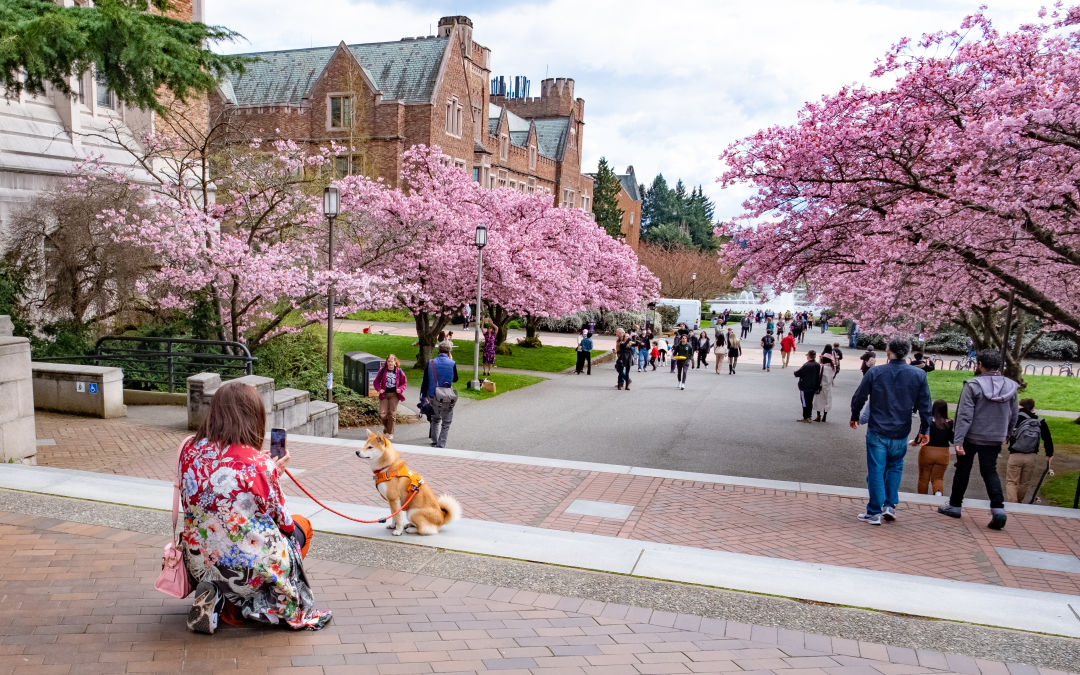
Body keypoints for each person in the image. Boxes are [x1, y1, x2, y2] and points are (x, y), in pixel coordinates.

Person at [179, 381, 331, 634]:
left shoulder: (188, 450)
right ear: (254, 417)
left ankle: (217, 597)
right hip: (247, 569)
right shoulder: (259, 463)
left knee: (223, 544)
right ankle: (244, 608)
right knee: (302, 526)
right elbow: (284, 522)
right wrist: (273, 473)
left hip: (199, 562)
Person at [849, 335, 932, 526]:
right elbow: (925, 404)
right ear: (907, 353)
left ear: (888, 352)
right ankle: (889, 505)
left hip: (878, 428)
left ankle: (874, 511)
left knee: (876, 469)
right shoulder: (918, 375)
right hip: (901, 430)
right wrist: (924, 429)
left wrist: (855, 415)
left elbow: (859, 396)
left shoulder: (876, 372)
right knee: (895, 467)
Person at [937, 350, 1017, 528]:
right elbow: (1014, 415)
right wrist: (1007, 434)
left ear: (980, 364)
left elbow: (965, 415)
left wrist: (958, 440)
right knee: (990, 471)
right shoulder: (1011, 386)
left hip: (971, 436)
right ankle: (998, 509)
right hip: (995, 436)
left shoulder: (973, 385)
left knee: (963, 469)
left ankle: (955, 505)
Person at [1005, 398, 1055, 503]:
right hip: (1031, 456)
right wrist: (1049, 454)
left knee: (1011, 482)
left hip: (1015, 455)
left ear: (1020, 406)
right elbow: (1048, 438)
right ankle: (1019, 504)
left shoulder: (1014, 418)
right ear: (1032, 408)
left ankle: (1012, 504)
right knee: (1024, 482)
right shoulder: (1039, 421)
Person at [422, 343, 459, 448]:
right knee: (446, 422)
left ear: (439, 351)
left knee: (435, 419)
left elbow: (425, 380)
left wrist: (424, 396)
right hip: (446, 396)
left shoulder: (430, 363)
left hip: (433, 394)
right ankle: (441, 443)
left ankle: (434, 440)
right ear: (449, 352)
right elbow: (455, 379)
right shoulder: (452, 363)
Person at [915, 399, 953, 496]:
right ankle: (938, 493)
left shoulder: (928, 421)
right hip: (943, 453)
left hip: (927, 452)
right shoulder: (950, 423)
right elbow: (953, 439)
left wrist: (915, 442)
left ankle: (921, 498)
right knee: (938, 477)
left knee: (923, 478)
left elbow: (920, 436)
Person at [372, 354, 407, 439]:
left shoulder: (399, 371)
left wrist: (400, 389)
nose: (390, 363)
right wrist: (379, 389)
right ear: (386, 362)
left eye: (392, 361)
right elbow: (376, 382)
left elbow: (404, 383)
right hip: (384, 394)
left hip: (394, 395)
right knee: (382, 414)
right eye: (388, 361)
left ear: (395, 362)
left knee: (391, 414)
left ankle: (390, 433)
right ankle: (387, 428)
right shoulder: (383, 370)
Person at [793, 350, 822, 422]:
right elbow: (818, 376)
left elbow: (798, 373)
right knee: (810, 401)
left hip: (804, 386)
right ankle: (809, 416)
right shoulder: (817, 365)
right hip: (813, 386)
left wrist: (795, 372)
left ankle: (806, 416)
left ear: (809, 356)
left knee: (804, 402)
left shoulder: (806, 365)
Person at [814, 344, 837, 422]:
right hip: (828, 387)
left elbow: (818, 376)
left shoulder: (821, 367)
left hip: (821, 387)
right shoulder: (832, 368)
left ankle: (818, 416)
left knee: (819, 401)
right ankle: (825, 416)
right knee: (827, 401)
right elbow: (832, 377)